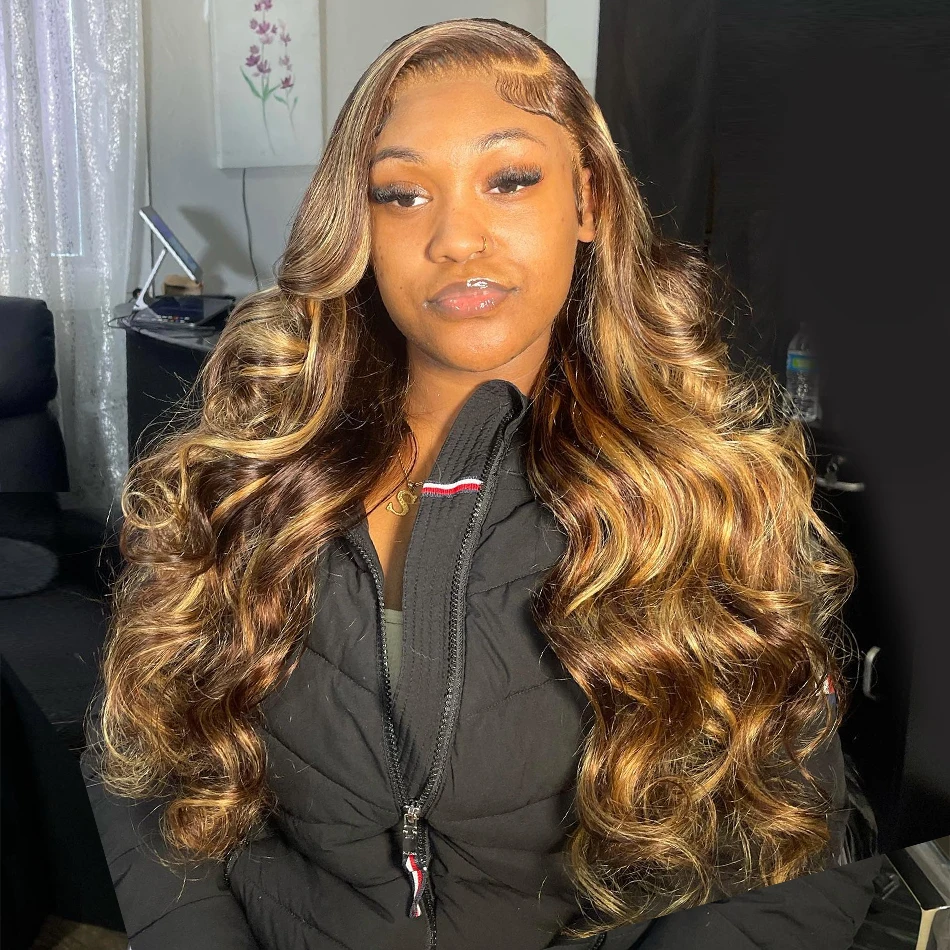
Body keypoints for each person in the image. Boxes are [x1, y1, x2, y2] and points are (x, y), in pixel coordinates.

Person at [81, 17, 880, 950]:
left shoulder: (706, 493)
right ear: (358, 229)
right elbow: (139, 764)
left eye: (509, 180)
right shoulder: (246, 473)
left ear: (588, 201)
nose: (457, 238)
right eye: (402, 194)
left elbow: (788, 853)